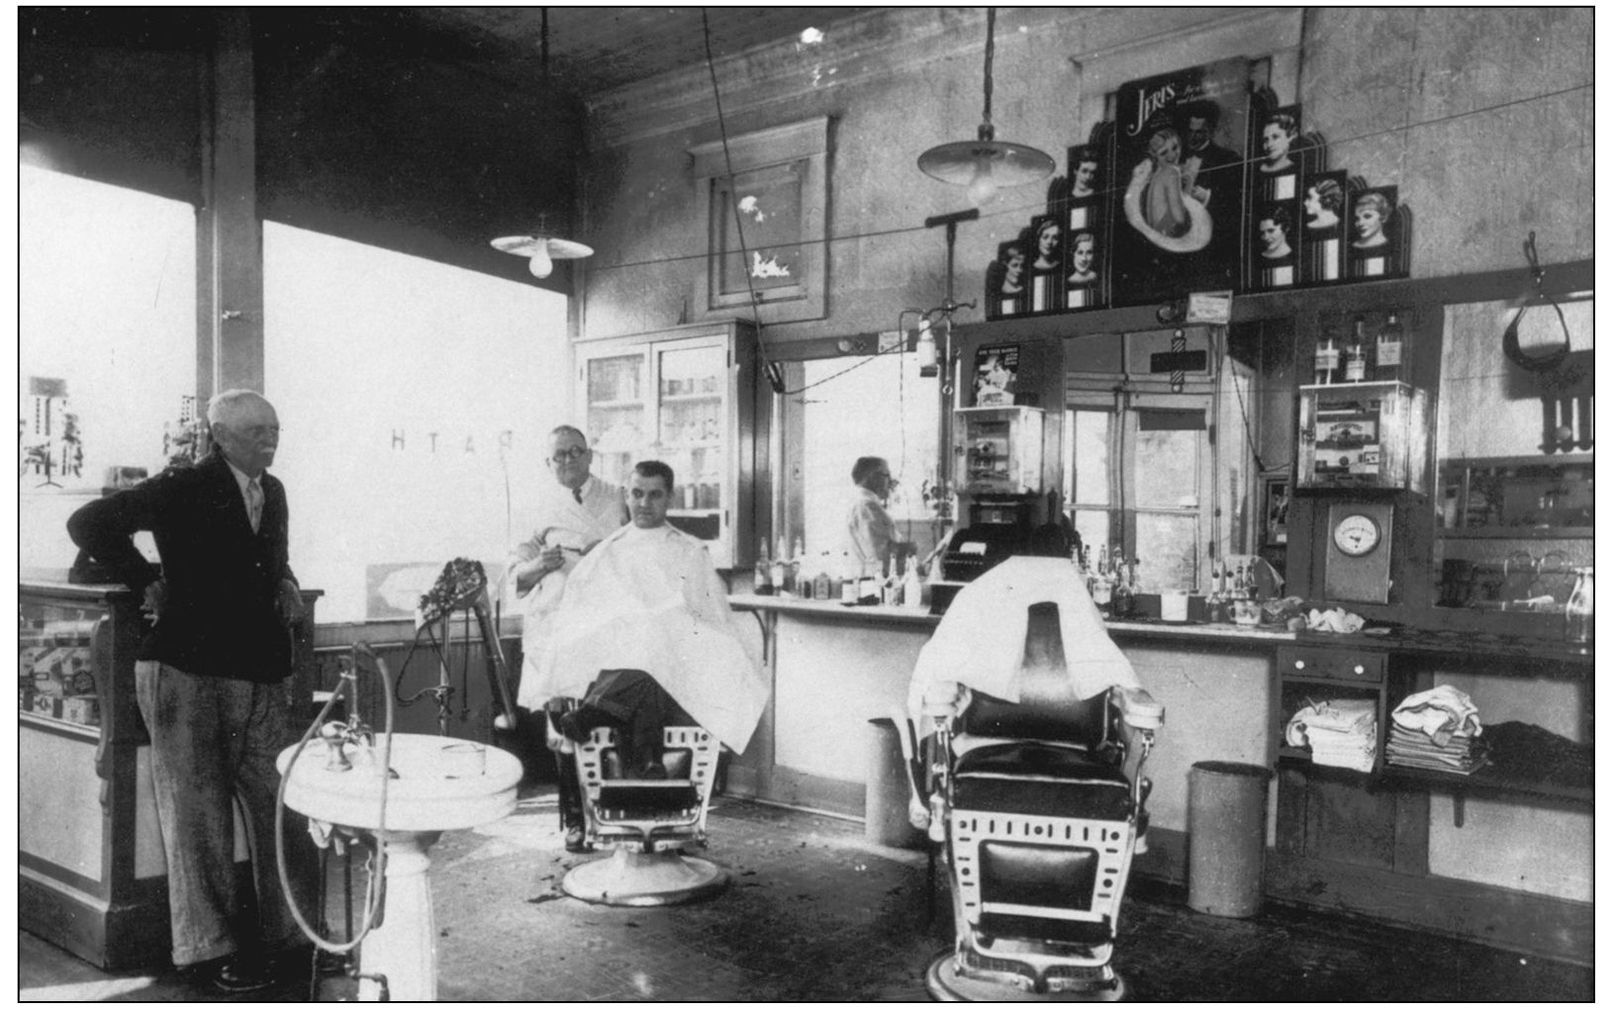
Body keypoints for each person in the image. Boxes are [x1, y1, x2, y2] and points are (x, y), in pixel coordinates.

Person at [66, 389, 315, 993]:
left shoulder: (272, 491)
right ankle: (209, 953)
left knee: (279, 806)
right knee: (197, 820)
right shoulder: (183, 484)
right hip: (187, 670)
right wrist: (144, 579)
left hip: (260, 671)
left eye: (275, 428)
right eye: (257, 430)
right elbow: (89, 523)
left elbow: (266, 559)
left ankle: (292, 937)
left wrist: (285, 579)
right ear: (220, 434)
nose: (270, 438)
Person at [536, 460, 768, 777]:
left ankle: (595, 714)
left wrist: (671, 627)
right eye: (637, 493)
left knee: (654, 640)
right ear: (627, 497)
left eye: (654, 495)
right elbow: (582, 615)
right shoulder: (607, 551)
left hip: (677, 659)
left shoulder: (689, 550)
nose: (644, 503)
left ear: (669, 498)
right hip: (617, 657)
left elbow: (710, 617)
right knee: (644, 651)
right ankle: (649, 762)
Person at [506, 424, 627, 851]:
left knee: (604, 715)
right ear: (548, 462)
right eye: (559, 455)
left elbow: (636, 557)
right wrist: (540, 564)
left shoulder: (617, 498)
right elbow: (515, 575)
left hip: (604, 625)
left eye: (576, 452)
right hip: (556, 627)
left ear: (590, 455)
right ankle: (575, 821)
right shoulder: (535, 508)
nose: (568, 461)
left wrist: (606, 555)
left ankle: (613, 816)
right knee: (563, 724)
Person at [846, 456, 915, 573]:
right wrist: (910, 548)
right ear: (872, 477)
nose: (891, 482)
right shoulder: (867, 506)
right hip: (872, 583)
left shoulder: (864, 503)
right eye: (887, 475)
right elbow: (880, 556)